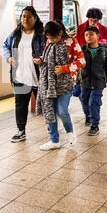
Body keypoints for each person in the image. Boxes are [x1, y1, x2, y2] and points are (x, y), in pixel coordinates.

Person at [3, 6, 46, 143]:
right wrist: (8, 57)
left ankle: (53, 132)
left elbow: (49, 49)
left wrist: (42, 60)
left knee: (47, 105)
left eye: (28, 16)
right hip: (20, 76)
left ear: (35, 18)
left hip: (39, 76)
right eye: (23, 16)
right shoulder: (15, 34)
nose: (25, 19)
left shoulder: (41, 34)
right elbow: (5, 45)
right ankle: (21, 131)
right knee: (20, 105)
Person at [36, 21, 76, 151]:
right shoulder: (50, 44)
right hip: (49, 85)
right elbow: (48, 62)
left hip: (64, 85)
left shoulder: (67, 44)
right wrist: (41, 61)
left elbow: (80, 62)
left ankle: (70, 133)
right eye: (48, 38)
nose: (51, 40)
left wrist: (64, 69)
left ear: (60, 33)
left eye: (53, 38)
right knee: (50, 112)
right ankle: (54, 140)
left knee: (62, 111)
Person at [78, 26, 107, 136]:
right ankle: (87, 115)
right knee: (84, 99)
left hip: (98, 82)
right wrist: (77, 81)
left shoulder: (104, 51)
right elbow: (77, 65)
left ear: (98, 36)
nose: (88, 37)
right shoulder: (82, 49)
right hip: (85, 81)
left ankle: (94, 125)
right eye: (86, 35)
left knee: (93, 102)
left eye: (91, 34)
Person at [74, 8, 107, 97]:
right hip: (83, 60)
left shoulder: (104, 30)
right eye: (91, 20)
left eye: (95, 21)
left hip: (97, 61)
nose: (93, 23)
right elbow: (77, 43)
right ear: (88, 18)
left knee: (94, 90)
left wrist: (98, 35)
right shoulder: (81, 27)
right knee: (81, 92)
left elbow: (105, 46)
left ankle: (94, 103)